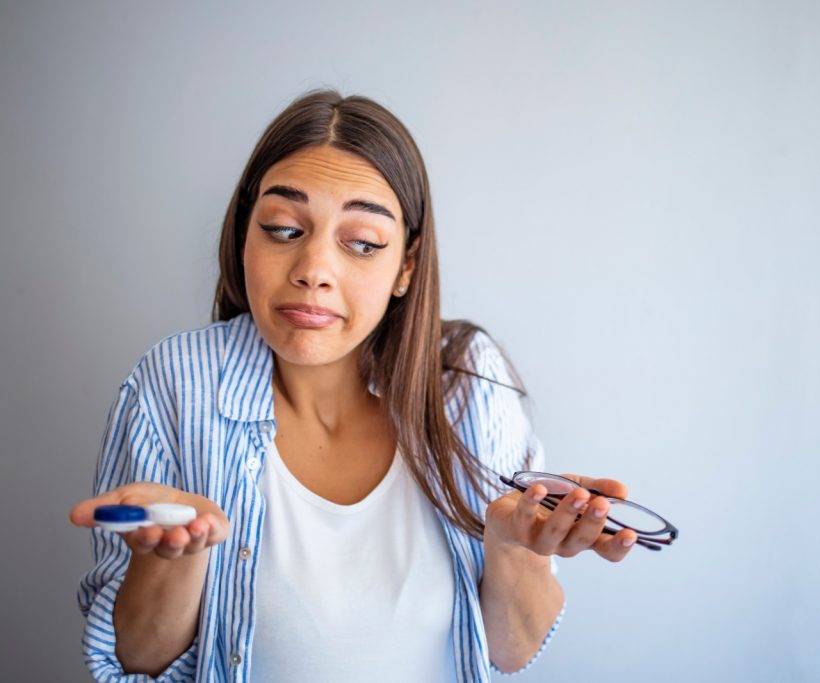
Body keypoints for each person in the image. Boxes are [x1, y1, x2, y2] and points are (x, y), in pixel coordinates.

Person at [69, 89, 637, 682]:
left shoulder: (469, 381)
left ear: (406, 267)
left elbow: (511, 651)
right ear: (245, 236)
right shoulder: (174, 385)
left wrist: (514, 546)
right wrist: (173, 559)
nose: (314, 269)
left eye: (362, 243)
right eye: (284, 229)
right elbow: (136, 662)